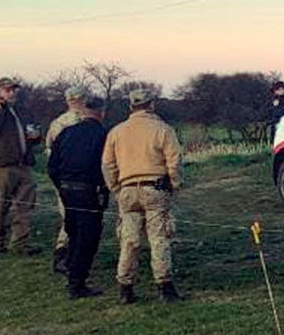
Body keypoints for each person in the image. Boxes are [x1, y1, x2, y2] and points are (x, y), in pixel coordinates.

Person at [101, 87, 184, 303]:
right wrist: (175, 184)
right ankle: (164, 286)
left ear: (131, 106)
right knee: (159, 238)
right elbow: (174, 160)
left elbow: (107, 164)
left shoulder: (116, 132)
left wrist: (115, 188)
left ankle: (125, 288)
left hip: (127, 189)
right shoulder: (163, 129)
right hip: (155, 188)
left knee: (129, 240)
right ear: (151, 105)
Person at [47, 94, 109, 299]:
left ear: (84, 111)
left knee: (73, 232)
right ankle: (77, 283)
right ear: (101, 112)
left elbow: (52, 166)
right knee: (87, 236)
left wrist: (61, 186)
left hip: (66, 190)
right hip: (89, 191)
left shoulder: (66, 132)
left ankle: (70, 270)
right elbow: (108, 166)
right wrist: (106, 188)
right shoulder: (103, 135)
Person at [0, 78, 37, 254]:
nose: (12, 93)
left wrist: (35, 137)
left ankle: (19, 243)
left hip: (24, 165)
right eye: (7, 90)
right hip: (2, 166)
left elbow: (30, 135)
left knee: (24, 207)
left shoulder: (20, 112)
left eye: (13, 90)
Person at [44, 86, 88, 274]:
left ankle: (65, 253)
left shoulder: (57, 123)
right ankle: (63, 254)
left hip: (61, 177)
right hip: (79, 177)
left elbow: (49, 150)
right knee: (77, 217)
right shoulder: (84, 122)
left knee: (67, 214)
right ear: (83, 100)